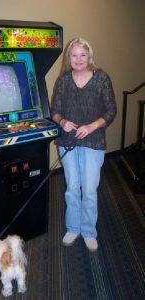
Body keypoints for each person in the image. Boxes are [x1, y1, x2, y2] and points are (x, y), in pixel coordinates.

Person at [51, 38, 117, 251]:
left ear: (90, 57)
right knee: (72, 187)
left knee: (89, 190)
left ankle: (88, 230)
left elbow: (111, 110)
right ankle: (73, 227)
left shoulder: (101, 79)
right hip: (68, 141)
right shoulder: (63, 81)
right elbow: (55, 111)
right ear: (68, 58)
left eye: (83, 55)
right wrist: (62, 122)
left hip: (93, 141)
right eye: (74, 55)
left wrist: (91, 126)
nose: (78, 59)